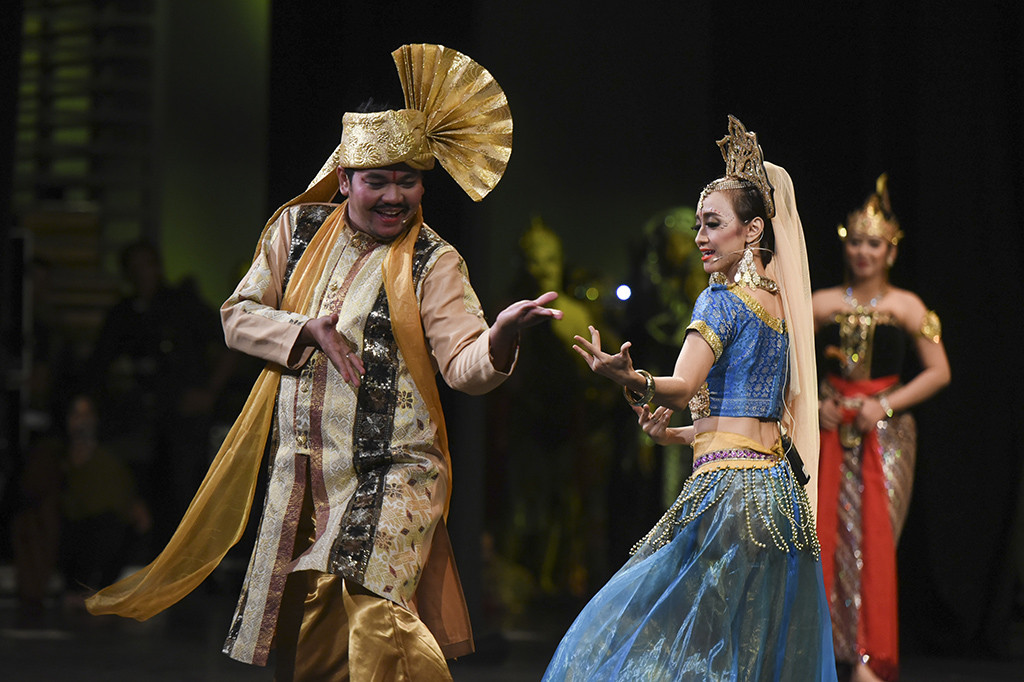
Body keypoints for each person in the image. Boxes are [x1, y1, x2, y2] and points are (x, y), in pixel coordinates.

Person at [85, 43, 561, 681]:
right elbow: (237, 315)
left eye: (409, 179)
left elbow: (465, 368)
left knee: (371, 605)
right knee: (309, 623)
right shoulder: (296, 231)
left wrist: (501, 337)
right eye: (378, 179)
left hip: (397, 470)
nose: (396, 195)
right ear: (345, 179)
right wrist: (302, 327)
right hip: (303, 472)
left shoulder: (435, 262)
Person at [543, 116, 836, 680]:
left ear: (752, 232)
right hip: (779, 498)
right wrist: (677, 433)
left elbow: (681, 388)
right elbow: (750, 413)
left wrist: (627, 377)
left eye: (712, 225)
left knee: (645, 633)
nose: (700, 238)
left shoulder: (719, 302)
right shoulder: (779, 308)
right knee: (750, 649)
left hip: (727, 494)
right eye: (699, 225)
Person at [813, 175, 950, 682]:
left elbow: (940, 371)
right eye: (855, 241)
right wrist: (821, 401)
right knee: (825, 538)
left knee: (874, 540)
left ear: (891, 251)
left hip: (886, 438)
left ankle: (867, 659)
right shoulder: (820, 303)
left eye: (874, 243)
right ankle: (826, 653)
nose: (863, 250)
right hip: (830, 432)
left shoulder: (908, 307)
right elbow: (788, 367)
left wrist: (884, 405)